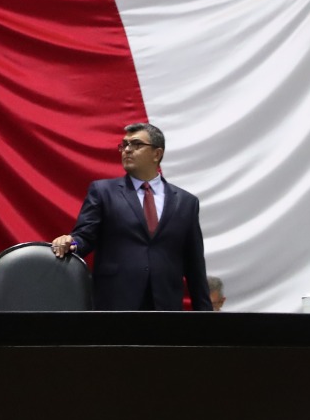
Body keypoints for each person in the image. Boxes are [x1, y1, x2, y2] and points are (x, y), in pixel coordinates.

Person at [49, 122, 213, 311]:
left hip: (166, 305)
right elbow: (84, 238)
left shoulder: (186, 202)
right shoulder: (103, 192)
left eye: (136, 144)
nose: (127, 150)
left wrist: (205, 314)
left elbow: (194, 264)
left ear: (157, 154)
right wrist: (72, 243)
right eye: (124, 145)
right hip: (115, 302)